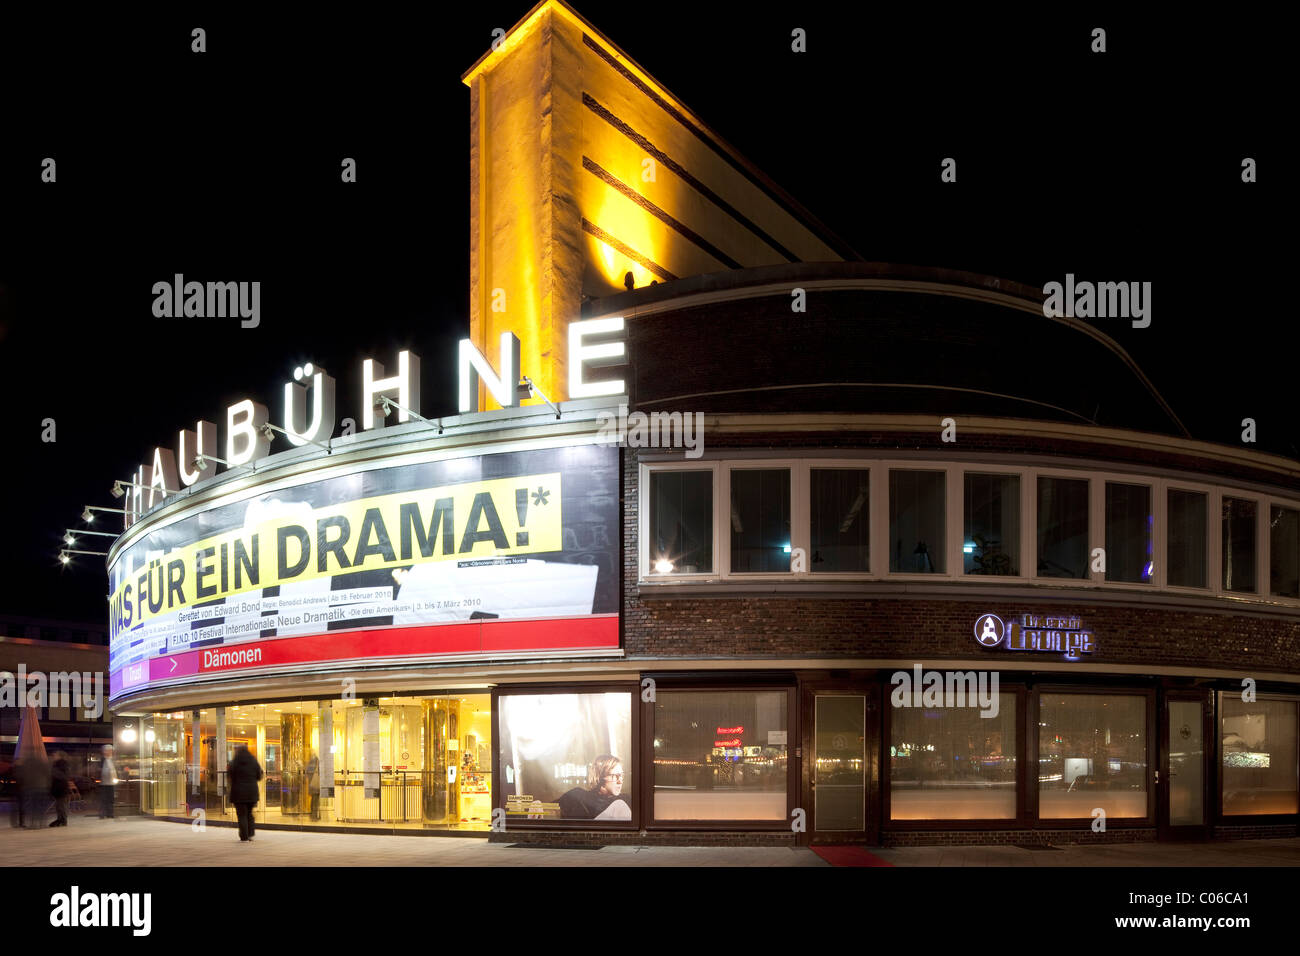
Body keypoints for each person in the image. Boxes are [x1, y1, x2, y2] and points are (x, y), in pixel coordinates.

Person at [557, 754, 630, 820]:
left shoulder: (626, 799)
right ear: (601, 776)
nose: (620, 781)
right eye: (615, 776)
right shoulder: (577, 796)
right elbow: (549, 810)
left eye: (621, 776)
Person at [227, 744, 263, 842]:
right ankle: (250, 833)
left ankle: (244, 836)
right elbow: (259, 776)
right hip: (251, 792)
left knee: (241, 814)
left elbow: (230, 776)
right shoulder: (253, 761)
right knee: (249, 813)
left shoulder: (234, 762)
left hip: (238, 793)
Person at [50, 752, 71, 827]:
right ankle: (60, 819)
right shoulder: (56, 764)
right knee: (59, 806)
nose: (53, 756)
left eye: (55, 755)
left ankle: (63, 820)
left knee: (61, 805)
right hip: (58, 789)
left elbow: (63, 776)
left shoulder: (62, 764)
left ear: (59, 756)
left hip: (61, 788)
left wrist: (54, 773)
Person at [98, 745, 117, 819]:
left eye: (109, 750)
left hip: (111, 783)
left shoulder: (113, 760)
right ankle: (102, 814)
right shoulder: (102, 760)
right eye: (106, 750)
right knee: (103, 799)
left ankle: (110, 814)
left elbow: (116, 769)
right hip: (103, 783)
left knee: (111, 799)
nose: (106, 752)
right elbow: (99, 769)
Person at [304, 751, 320, 821]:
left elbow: (307, 772)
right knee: (315, 800)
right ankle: (314, 815)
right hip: (315, 784)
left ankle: (313, 814)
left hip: (312, 783)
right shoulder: (315, 761)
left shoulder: (311, 761)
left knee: (314, 799)